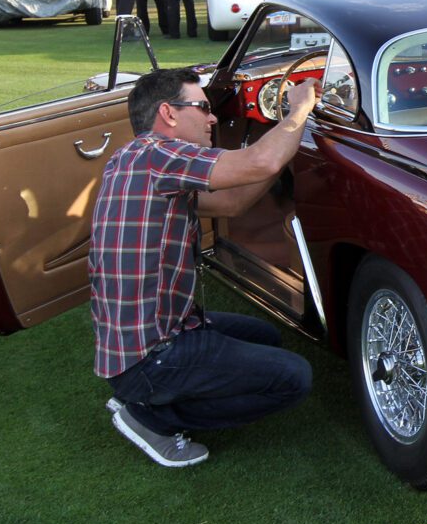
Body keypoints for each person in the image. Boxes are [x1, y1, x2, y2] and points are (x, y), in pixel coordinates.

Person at [91, 67, 318, 467]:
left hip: (140, 341)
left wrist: (285, 150)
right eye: (202, 108)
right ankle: (151, 417)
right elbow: (260, 162)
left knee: (265, 336)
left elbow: (232, 203)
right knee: (293, 377)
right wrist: (298, 111)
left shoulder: (135, 160)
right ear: (168, 113)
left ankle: (148, 395)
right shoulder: (159, 154)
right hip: (150, 355)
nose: (213, 118)